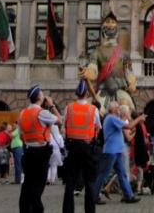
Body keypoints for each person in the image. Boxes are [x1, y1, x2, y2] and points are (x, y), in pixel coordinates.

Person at [19, 85, 62, 213]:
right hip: (41, 151)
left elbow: (21, 132)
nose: (44, 96)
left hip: (28, 150)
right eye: (42, 94)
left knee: (27, 182)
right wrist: (52, 105)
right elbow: (60, 121)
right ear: (38, 97)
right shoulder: (42, 113)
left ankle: (25, 209)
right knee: (39, 183)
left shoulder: (23, 113)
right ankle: (37, 209)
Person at [91, 102, 142, 205]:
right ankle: (93, 196)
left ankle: (128, 196)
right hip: (111, 151)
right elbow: (130, 125)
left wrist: (128, 117)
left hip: (117, 151)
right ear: (113, 109)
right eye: (117, 108)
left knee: (122, 174)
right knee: (103, 174)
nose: (119, 109)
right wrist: (139, 118)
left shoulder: (114, 119)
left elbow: (128, 125)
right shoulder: (111, 118)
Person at [61, 80, 100, 213]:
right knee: (89, 181)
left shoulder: (69, 107)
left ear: (76, 93)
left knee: (70, 181)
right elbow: (98, 127)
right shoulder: (93, 109)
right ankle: (89, 210)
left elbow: (63, 126)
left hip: (72, 147)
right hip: (88, 147)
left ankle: (68, 210)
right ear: (87, 93)